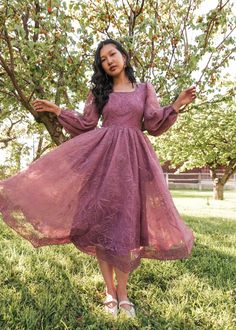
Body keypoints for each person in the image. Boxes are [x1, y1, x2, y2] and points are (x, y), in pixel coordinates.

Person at [0, 39, 196, 318]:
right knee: (103, 226)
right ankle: (110, 291)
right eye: (103, 59)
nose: (109, 61)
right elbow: (85, 124)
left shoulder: (144, 89)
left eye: (112, 54)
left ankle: (124, 294)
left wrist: (176, 105)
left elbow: (153, 124)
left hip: (133, 166)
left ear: (124, 56)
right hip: (103, 166)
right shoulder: (99, 92)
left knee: (125, 227)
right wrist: (58, 110)